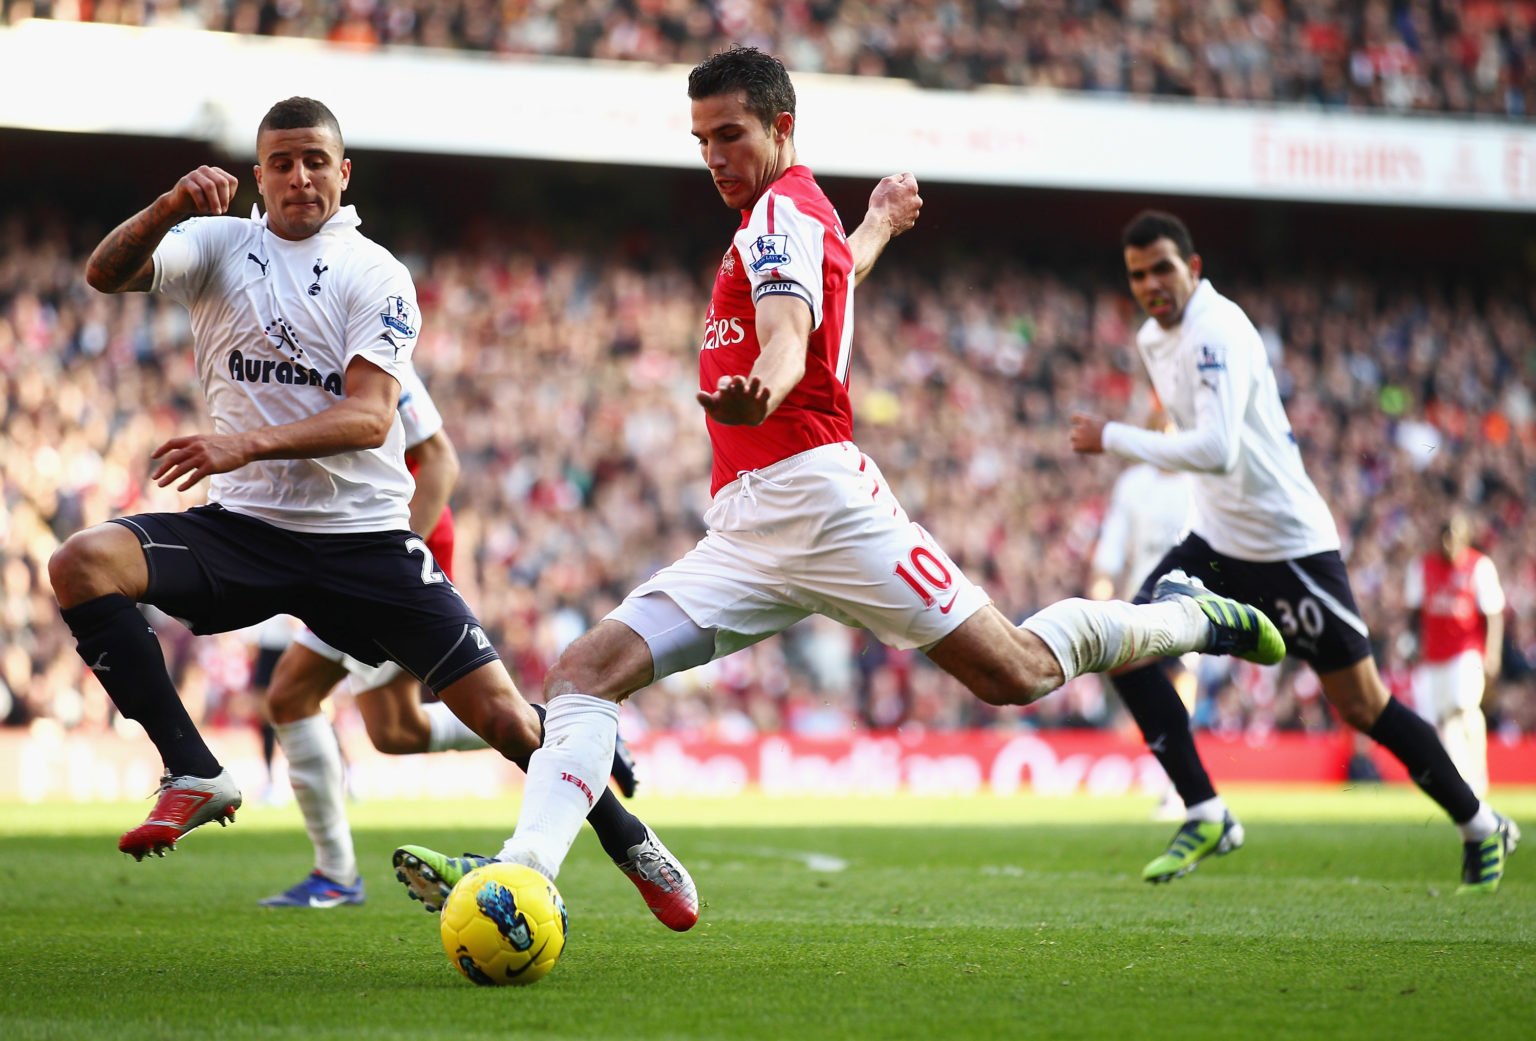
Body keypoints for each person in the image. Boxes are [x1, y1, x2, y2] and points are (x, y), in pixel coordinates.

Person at [390, 46, 1285, 919]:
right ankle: (524, 873)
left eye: (730, 135)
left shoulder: (779, 218)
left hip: (822, 503)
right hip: (746, 528)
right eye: (701, 140)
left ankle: (1190, 613)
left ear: (782, 126)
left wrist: (762, 392)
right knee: (584, 672)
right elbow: (835, 278)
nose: (712, 158)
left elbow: (786, 334)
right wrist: (883, 223)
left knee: (1014, 671)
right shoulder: (798, 215)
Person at [53, 96, 695, 928]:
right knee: (80, 562)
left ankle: (628, 837)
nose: (298, 176)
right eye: (280, 162)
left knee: (502, 716)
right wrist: (172, 205)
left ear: (342, 172)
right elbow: (103, 274)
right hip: (244, 530)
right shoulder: (216, 245)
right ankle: (195, 772)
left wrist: (237, 446)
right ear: (258, 176)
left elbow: (369, 418)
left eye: (315, 159)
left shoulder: (374, 272)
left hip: (362, 542)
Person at [1069, 209, 1520, 894]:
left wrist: (1114, 436)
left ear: (1192, 268)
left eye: (1162, 267)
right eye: (1137, 274)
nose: (1151, 284)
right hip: (1218, 540)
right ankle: (1205, 809)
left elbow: (1218, 451)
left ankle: (1480, 823)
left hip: (1289, 547)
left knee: (1363, 705)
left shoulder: (1217, 330)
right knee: (1123, 648)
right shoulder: (1151, 339)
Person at [256, 363, 640, 909]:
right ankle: (563, 732)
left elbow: (440, 462)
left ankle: (336, 875)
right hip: (352, 552)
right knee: (395, 730)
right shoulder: (294, 344)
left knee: (290, 694)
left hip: (389, 552)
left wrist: (392, 565)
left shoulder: (368, 340)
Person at [1086, 404, 1197, 820]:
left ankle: (1178, 786)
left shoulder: (1199, 483)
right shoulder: (1134, 485)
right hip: (1142, 598)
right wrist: (1100, 590)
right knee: (1145, 689)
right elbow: (1112, 547)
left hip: (1189, 597)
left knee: (1180, 677)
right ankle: (1174, 776)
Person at [1404, 512, 1504, 799]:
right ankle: (1461, 778)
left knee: (1463, 709)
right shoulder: (1422, 567)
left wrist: (1492, 652)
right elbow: (1414, 612)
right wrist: (1410, 644)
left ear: (1465, 537)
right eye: (1444, 535)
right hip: (1433, 656)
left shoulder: (1479, 567)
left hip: (1466, 652)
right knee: (1442, 719)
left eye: (1453, 536)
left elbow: (1493, 614)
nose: (1448, 542)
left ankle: (1473, 777)